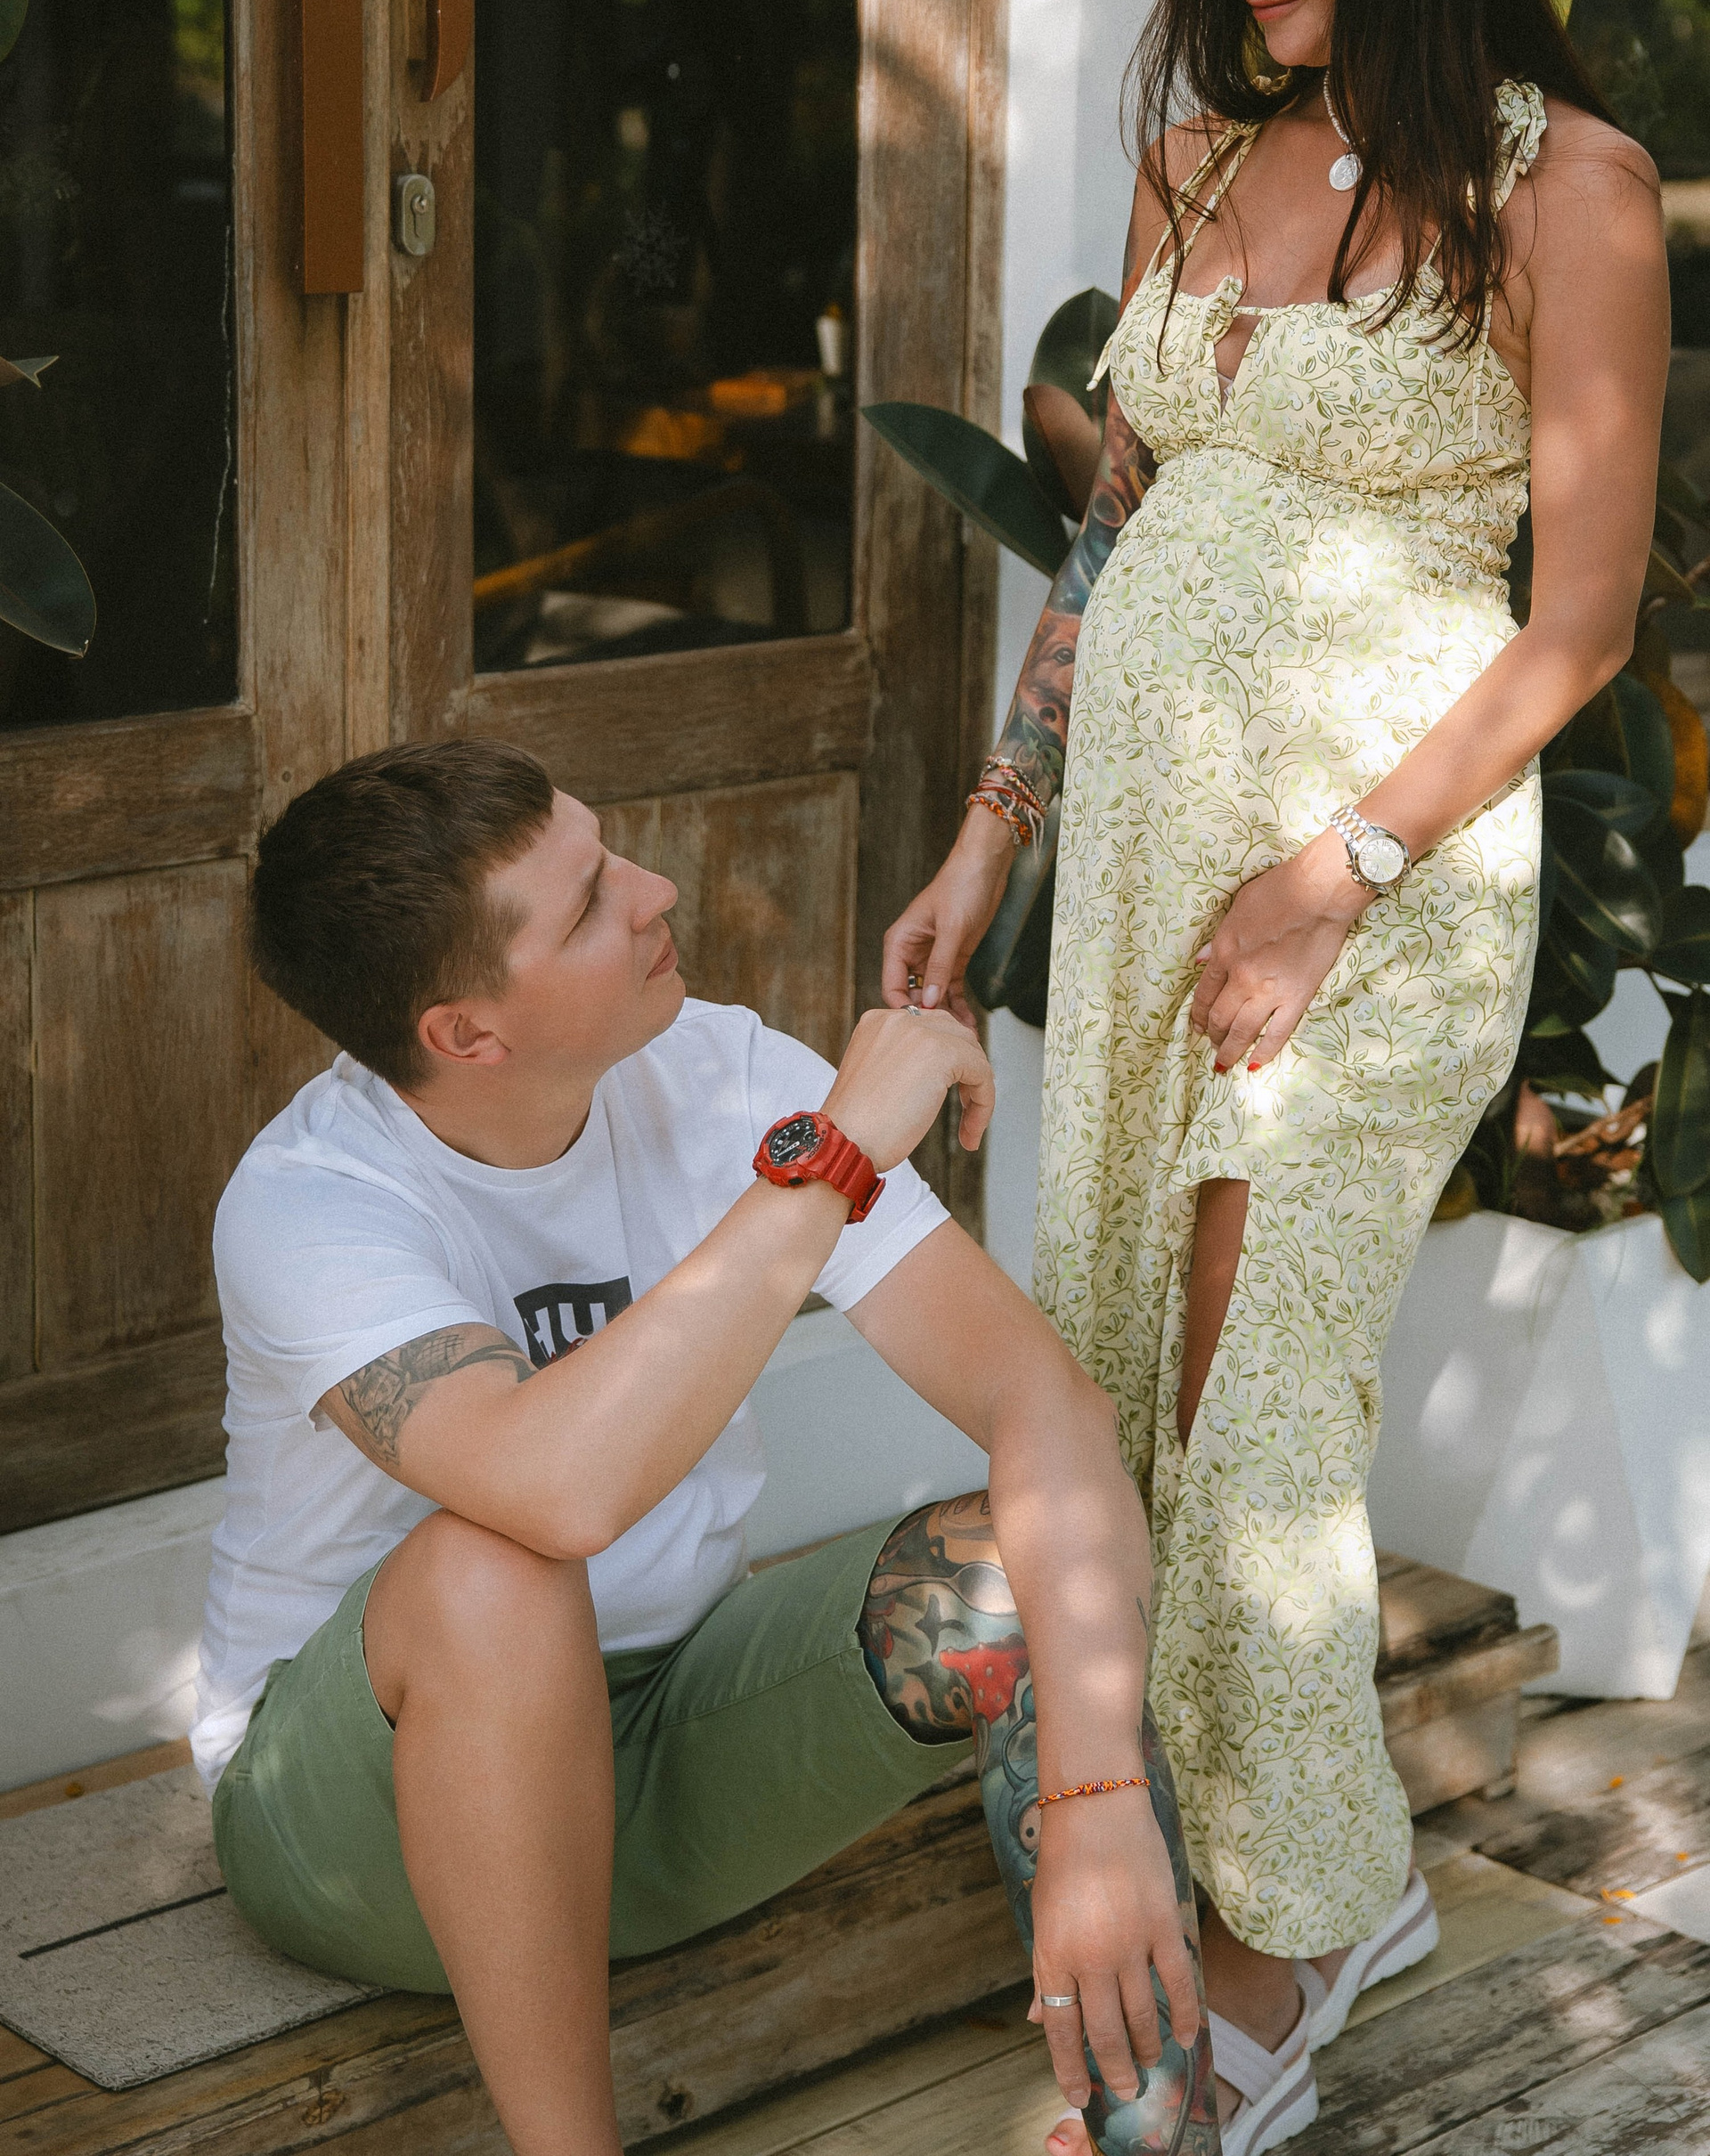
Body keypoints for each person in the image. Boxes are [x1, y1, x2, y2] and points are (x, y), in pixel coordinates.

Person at [884, 0, 1669, 2156]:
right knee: (1129, 1380)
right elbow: (1112, 536)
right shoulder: (1203, 163)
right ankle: (1282, 1865)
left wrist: (1335, 877)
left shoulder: (1568, 193)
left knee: (1253, 1427)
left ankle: (1293, 1936)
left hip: (1377, 890)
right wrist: (990, 837)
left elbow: (1582, 625)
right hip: (1142, 880)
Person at [189, 737, 1223, 2156]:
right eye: (588, 905)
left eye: (608, 854)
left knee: (1016, 1565)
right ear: (467, 1034)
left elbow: (1048, 1409)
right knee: (497, 1572)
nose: (654, 890)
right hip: (356, 1826)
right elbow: (557, 1493)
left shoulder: (721, 1071)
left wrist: (1095, 1797)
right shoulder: (309, 1205)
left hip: (669, 1752)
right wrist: (834, 1157)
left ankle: (1159, 2142)